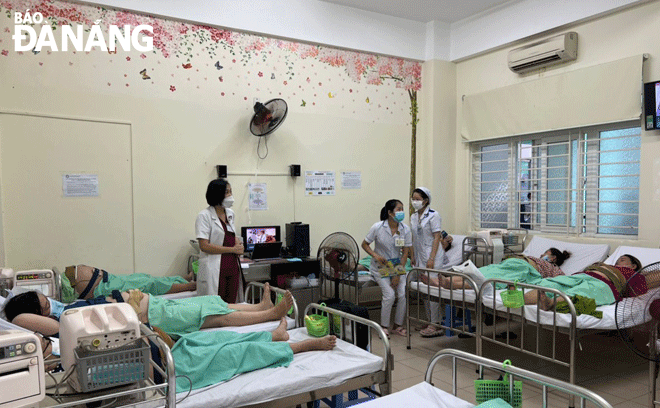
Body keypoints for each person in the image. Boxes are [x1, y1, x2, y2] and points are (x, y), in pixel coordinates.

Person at [3, 283, 293, 338]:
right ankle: (268, 315)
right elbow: (20, 319)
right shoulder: (56, 323)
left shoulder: (62, 310)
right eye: (42, 302)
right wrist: (14, 314)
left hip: (153, 306)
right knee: (212, 317)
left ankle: (259, 306)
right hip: (152, 317)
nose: (47, 299)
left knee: (209, 303)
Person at [171, 318, 336, 391]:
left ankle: (275, 335)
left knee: (225, 337)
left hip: (175, 350)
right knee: (240, 351)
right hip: (177, 368)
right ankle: (302, 346)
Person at [361, 199, 412, 337]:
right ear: (390, 213)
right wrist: (375, 255)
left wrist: (397, 274)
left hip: (397, 265)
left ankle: (397, 325)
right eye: (398, 209)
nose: (401, 212)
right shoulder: (377, 227)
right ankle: (384, 327)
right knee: (389, 295)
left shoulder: (405, 229)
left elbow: (405, 252)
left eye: (402, 209)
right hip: (380, 265)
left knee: (402, 294)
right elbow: (365, 244)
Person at [526, 254, 648, 310]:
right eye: (617, 260)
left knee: (581, 292)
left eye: (622, 260)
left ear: (633, 266)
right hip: (582, 276)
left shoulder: (634, 275)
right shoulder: (607, 265)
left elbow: (640, 289)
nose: (617, 263)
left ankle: (551, 302)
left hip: (605, 284)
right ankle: (518, 300)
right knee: (549, 284)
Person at [421, 247, 571, 290]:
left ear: (553, 258)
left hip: (523, 269)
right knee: (483, 272)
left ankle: (450, 283)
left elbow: (564, 279)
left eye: (546, 253)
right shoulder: (536, 258)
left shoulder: (554, 268)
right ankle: (446, 280)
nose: (542, 254)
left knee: (489, 279)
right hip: (512, 263)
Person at [196, 178, 245, 302]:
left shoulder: (230, 214)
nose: (230, 196)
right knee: (216, 306)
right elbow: (204, 246)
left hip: (232, 267)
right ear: (217, 194)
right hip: (215, 269)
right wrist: (232, 249)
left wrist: (238, 244)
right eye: (227, 192)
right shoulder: (204, 216)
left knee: (231, 304)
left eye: (230, 192)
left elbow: (230, 235)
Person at [409, 187, 444, 338]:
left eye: (417, 199)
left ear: (425, 200)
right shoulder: (413, 216)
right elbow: (413, 238)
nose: (414, 202)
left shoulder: (434, 215)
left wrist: (431, 258)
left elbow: (437, 237)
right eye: (413, 199)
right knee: (424, 289)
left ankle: (436, 325)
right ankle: (430, 320)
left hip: (433, 255)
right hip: (419, 255)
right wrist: (413, 256)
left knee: (433, 290)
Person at [60, 264, 196, 302]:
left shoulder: (62, 279)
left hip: (109, 280)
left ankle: (183, 278)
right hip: (103, 287)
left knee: (146, 278)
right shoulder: (65, 286)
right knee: (149, 284)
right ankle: (188, 286)